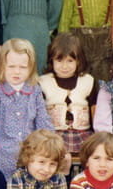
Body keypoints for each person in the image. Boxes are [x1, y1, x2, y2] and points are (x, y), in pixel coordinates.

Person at [0, 39, 53, 179]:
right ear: (2, 66)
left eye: (23, 67)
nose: (17, 72)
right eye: (11, 66)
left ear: (31, 68)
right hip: (3, 154)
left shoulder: (35, 90)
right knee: (5, 182)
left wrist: (49, 144)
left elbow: (43, 120)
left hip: (31, 153)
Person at [38, 32, 97, 178]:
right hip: (54, 135)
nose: (64, 66)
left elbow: (95, 111)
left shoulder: (88, 81)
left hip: (83, 135)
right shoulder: (43, 82)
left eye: (70, 61)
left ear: (79, 61)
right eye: (59, 60)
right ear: (51, 60)